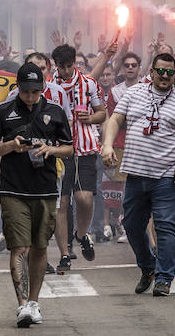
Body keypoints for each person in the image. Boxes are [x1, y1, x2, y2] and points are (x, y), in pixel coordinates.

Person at [102, 51, 175, 297]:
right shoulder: (134, 93)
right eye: (161, 71)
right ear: (152, 72)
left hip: (169, 176)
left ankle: (164, 278)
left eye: (170, 72)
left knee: (166, 225)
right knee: (133, 226)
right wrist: (107, 144)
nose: (165, 76)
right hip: (136, 173)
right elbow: (116, 119)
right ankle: (148, 267)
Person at [0, 62, 72, 328]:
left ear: (42, 88)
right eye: (26, 91)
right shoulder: (2, 111)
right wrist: (11, 145)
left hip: (45, 188)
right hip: (12, 189)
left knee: (40, 247)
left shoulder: (55, 111)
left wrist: (50, 150)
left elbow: (68, 148)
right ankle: (22, 304)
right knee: (19, 247)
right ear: (18, 88)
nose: (31, 97)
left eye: (35, 91)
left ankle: (34, 302)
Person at [46, 44, 106, 270]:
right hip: (60, 151)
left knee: (84, 199)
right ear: (56, 66)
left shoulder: (89, 84)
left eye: (69, 66)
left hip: (85, 148)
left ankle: (82, 235)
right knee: (61, 203)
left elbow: (102, 113)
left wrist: (89, 119)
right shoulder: (49, 87)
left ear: (75, 64)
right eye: (61, 67)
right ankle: (64, 253)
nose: (66, 71)